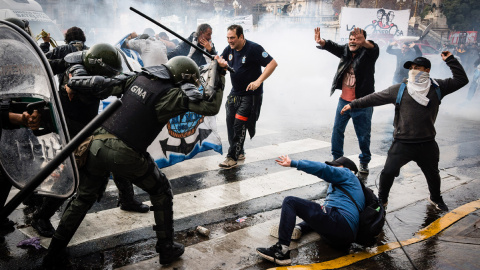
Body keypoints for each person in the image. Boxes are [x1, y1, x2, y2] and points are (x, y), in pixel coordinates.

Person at [42, 55, 228, 267]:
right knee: (162, 190)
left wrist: (73, 82)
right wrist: (220, 74)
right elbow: (210, 106)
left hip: (96, 143)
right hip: (125, 152)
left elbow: (101, 85)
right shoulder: (172, 94)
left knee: (83, 199)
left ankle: (53, 253)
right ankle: (166, 249)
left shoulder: (139, 78)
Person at [341, 52, 469, 211]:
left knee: (433, 175)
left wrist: (451, 60)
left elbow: (462, 79)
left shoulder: (438, 87)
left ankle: (435, 198)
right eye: (412, 68)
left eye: (418, 68)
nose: (413, 70)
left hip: (427, 143)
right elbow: (376, 97)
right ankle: (382, 200)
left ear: (427, 70)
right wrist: (353, 104)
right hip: (403, 143)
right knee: (387, 173)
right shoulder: (400, 89)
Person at [256, 156, 365, 265]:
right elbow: (319, 216)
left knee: (290, 202)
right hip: (344, 237)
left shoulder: (348, 174)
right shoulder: (354, 188)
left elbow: (324, 169)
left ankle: (281, 251)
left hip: (340, 222)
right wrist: (301, 227)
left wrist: (294, 163)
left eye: (336, 166)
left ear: (349, 169)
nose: (332, 167)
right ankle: (299, 228)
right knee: (319, 210)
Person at [314, 27, 379, 174]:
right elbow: (332, 46)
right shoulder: (345, 51)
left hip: (362, 103)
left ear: (363, 41)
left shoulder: (368, 54)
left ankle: (364, 162)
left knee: (363, 135)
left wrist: (366, 43)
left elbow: (374, 49)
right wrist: (321, 41)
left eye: (356, 40)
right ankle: (337, 160)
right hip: (344, 101)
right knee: (337, 130)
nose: (352, 42)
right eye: (350, 39)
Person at [218, 24, 278, 169]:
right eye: (227, 38)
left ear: (241, 37)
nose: (230, 41)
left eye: (232, 38)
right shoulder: (229, 50)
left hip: (251, 95)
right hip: (235, 93)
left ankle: (231, 157)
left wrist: (258, 81)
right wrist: (221, 64)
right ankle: (240, 151)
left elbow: (272, 63)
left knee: (239, 124)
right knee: (230, 123)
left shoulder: (253, 48)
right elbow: (221, 63)